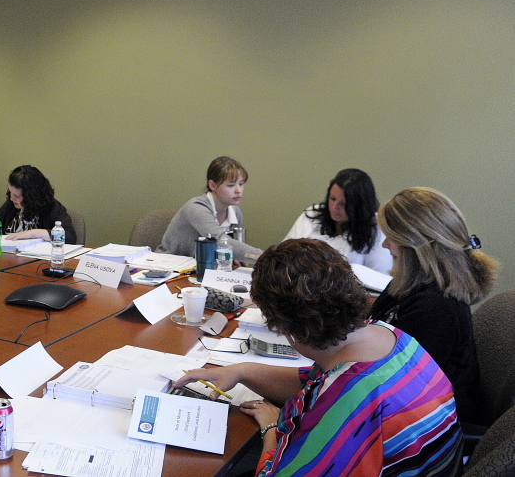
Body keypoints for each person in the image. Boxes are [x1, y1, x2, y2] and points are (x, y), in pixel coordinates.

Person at [177, 239, 462, 477]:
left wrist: (272, 429)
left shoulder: (349, 404)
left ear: (285, 328)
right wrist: (241, 372)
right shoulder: (389, 336)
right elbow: (314, 383)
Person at [369, 187, 499, 425]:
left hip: (422, 434)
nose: (385, 245)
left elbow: (388, 390)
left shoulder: (436, 310)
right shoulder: (408, 287)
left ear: (416, 246)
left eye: (391, 237)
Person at [284, 168, 392, 273]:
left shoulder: (376, 228)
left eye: (343, 203)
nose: (334, 207)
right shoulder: (312, 214)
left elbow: (380, 277)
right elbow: (283, 252)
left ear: (360, 206)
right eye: (332, 198)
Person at [156, 156, 261, 263]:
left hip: (205, 266)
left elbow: (231, 248)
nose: (238, 190)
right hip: (169, 266)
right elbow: (219, 241)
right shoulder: (196, 207)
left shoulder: (235, 212)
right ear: (212, 185)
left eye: (241, 184)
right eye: (231, 185)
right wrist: (263, 258)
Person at [0, 165, 76, 243]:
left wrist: (32, 233)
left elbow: (69, 236)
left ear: (31, 196)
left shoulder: (52, 207)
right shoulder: (12, 204)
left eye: (17, 196)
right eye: (10, 193)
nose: (11, 198)